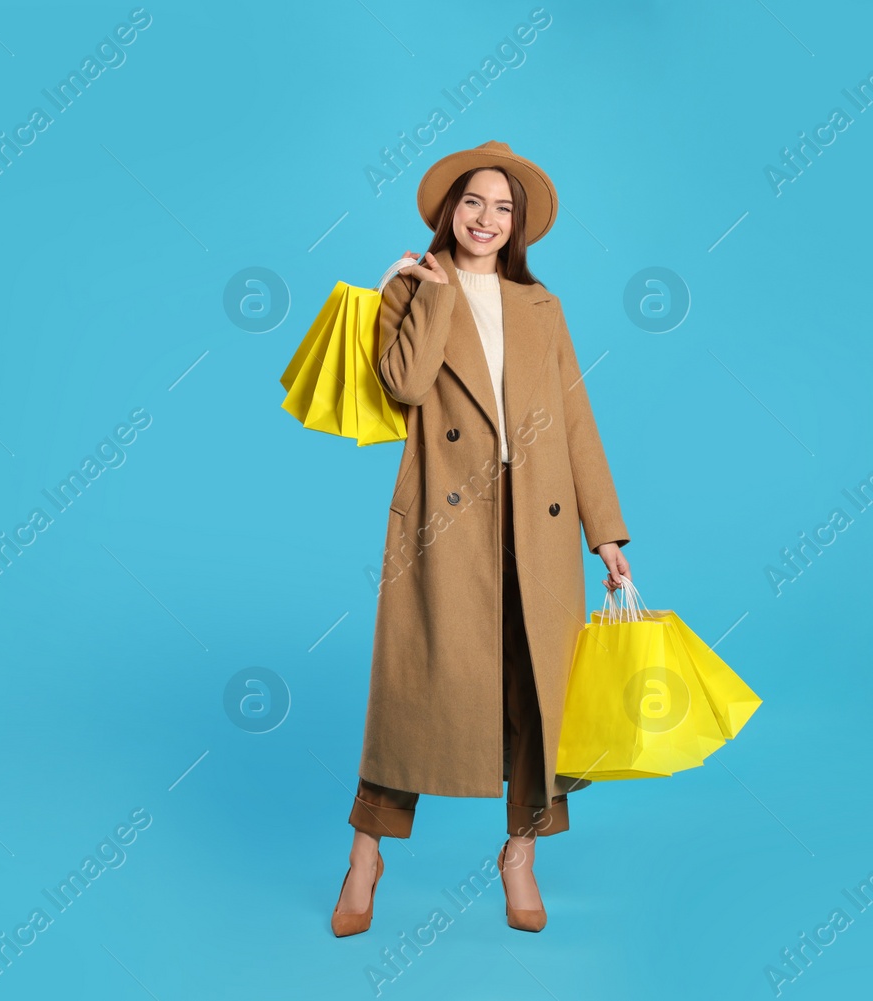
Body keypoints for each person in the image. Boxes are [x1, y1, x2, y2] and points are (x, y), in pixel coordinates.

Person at [330, 141, 631, 936]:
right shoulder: (407, 288)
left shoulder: (543, 306)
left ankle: (521, 854)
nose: (488, 219)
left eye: (503, 208)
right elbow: (403, 386)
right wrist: (427, 296)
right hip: (444, 518)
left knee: (538, 691)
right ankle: (366, 858)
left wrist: (606, 533)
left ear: (517, 223)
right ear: (447, 211)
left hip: (539, 518)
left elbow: (574, 421)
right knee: (410, 693)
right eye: (474, 203)